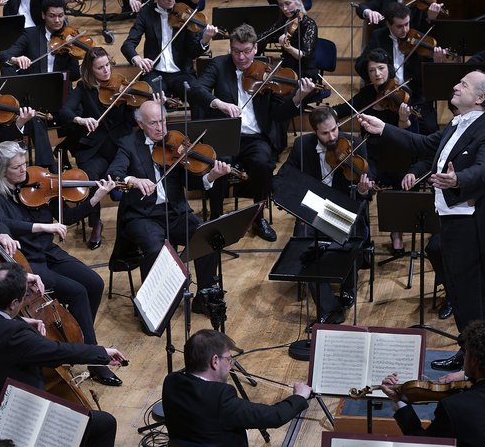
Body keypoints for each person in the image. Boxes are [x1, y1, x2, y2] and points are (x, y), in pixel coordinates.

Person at [359, 70, 485, 371]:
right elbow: (424, 145)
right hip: (452, 221)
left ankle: (480, 364)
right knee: (457, 289)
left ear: (479, 98)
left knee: (472, 295)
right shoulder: (456, 124)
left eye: (463, 84)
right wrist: (384, 128)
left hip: (472, 226)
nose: (455, 85)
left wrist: (457, 179)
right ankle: (468, 352)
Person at [0, 141, 122, 386]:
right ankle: (94, 359)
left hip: (49, 251)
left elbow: (64, 219)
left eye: (25, 164)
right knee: (77, 292)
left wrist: (96, 197)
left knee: (94, 282)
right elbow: (3, 223)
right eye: (17, 167)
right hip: (30, 260)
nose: (24, 170)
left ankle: (76, 336)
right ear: (2, 171)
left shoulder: (36, 185)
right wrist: (43, 226)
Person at [0, 262, 126, 447]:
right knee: (105, 423)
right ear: (13, 303)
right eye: (24, 296)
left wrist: (22, 320)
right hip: (20, 415)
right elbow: (59, 351)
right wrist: (102, 353)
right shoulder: (14, 335)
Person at [189, 23, 317, 242]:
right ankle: (217, 219)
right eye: (237, 51)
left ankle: (258, 217)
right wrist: (219, 103)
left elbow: (278, 113)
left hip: (256, 137)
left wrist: (298, 97)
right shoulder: (218, 66)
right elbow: (197, 89)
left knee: (263, 163)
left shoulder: (267, 72)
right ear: (230, 48)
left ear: (255, 48)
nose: (241, 57)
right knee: (218, 163)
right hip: (227, 134)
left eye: (247, 51)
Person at [106, 100, 230, 314]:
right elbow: (114, 174)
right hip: (142, 216)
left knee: (208, 238)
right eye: (153, 123)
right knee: (156, 250)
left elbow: (190, 182)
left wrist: (212, 176)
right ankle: (153, 308)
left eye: (163, 121)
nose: (160, 128)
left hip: (175, 212)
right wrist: (133, 180)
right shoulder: (128, 144)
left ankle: (203, 297)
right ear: (140, 123)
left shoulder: (175, 143)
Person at [279, 106, 375, 324]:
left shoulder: (355, 144)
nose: (332, 137)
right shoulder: (302, 146)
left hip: (343, 208)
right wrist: (286, 195)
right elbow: (284, 176)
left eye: (334, 130)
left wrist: (362, 190)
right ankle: (329, 308)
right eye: (325, 133)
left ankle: (348, 287)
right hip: (314, 207)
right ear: (315, 132)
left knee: (346, 239)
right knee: (303, 247)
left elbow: (368, 184)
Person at [381, 320, 485, 446]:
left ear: (473, 361)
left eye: (465, 352)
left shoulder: (455, 408)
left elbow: (424, 442)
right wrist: (465, 375)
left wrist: (399, 401)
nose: (463, 357)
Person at [162, 329, 310, 447]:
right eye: (228, 359)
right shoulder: (220, 398)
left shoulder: (170, 382)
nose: (231, 363)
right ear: (215, 361)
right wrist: (299, 396)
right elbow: (273, 416)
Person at [332, 48, 417, 252]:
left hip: (397, 153)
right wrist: (329, 113)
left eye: (381, 68)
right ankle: (360, 232)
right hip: (372, 154)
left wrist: (404, 119)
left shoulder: (402, 95)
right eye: (372, 71)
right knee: (359, 179)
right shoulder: (366, 95)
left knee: (401, 181)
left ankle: (397, 232)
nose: (378, 74)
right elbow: (344, 109)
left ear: (388, 68)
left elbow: (409, 134)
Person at [58, 47, 137, 249]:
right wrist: (80, 119)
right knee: (91, 178)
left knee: (135, 173)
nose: (106, 71)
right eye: (100, 68)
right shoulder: (83, 89)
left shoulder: (121, 85)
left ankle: (132, 223)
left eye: (107, 65)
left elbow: (132, 121)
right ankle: (95, 223)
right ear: (90, 69)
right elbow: (65, 111)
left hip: (120, 146)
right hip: (94, 149)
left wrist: (135, 103)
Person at [121, 0, 217, 99]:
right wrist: (137, 59)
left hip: (181, 73)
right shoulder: (146, 13)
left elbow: (193, 52)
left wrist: (204, 40)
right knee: (147, 98)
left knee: (199, 95)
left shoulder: (185, 13)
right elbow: (128, 44)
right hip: (155, 73)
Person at [356, 2, 444, 135]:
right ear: (388, 24)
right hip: (388, 94)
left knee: (430, 128)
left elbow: (429, 75)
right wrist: (377, 71)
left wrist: (436, 62)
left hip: (415, 95)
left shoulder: (418, 38)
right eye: (399, 26)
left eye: (407, 24)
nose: (405, 30)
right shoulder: (379, 36)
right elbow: (360, 65)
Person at [0, 0, 80, 80]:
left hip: (60, 87)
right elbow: (4, 55)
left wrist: (73, 52)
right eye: (52, 16)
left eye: (60, 15)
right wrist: (15, 59)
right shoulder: (30, 34)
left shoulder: (69, 37)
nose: (57, 20)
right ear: (43, 15)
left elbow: (75, 75)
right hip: (35, 87)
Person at [258, 0, 318, 80]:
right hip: (286, 70)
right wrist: (247, 44)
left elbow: (303, 56)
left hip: (304, 74)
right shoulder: (284, 21)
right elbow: (266, 35)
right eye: (281, 5)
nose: (284, 8)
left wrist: (288, 48)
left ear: (299, 0)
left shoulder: (309, 24)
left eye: (288, 3)